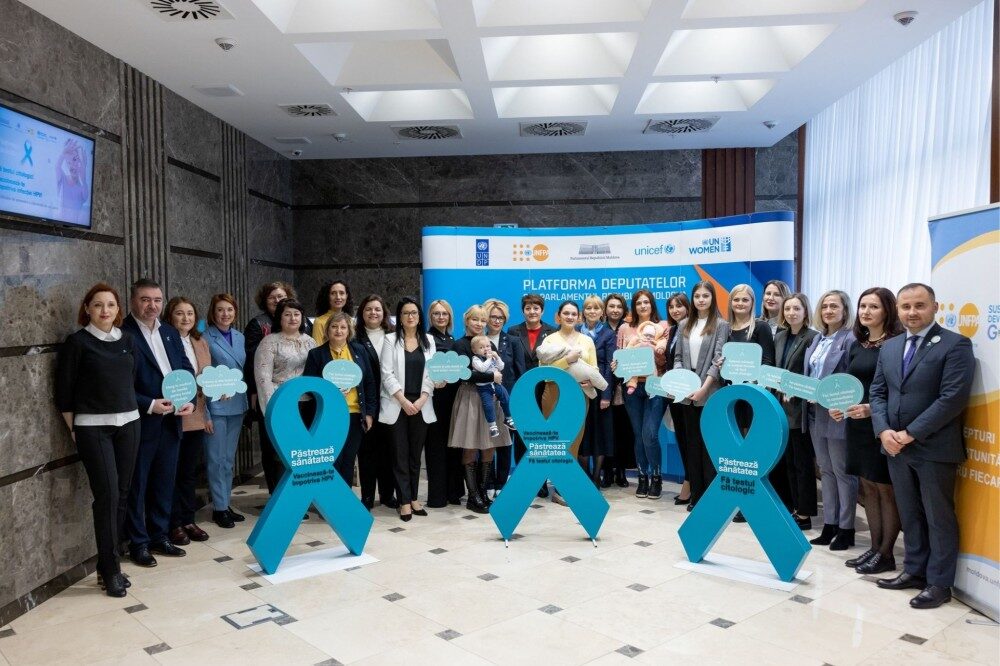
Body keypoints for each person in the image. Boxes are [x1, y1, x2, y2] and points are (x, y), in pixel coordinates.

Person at [870, 283, 975, 609]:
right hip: (895, 447)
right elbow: (878, 393)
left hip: (934, 448)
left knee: (937, 517)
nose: (912, 312)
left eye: (919, 305)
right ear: (898, 310)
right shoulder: (890, 347)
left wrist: (910, 433)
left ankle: (939, 584)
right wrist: (883, 430)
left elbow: (952, 398)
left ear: (935, 307)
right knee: (910, 513)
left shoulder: (955, 344)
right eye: (906, 307)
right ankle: (914, 571)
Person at [55, 283, 140, 597]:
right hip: (93, 429)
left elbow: (130, 381)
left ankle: (108, 565)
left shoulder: (127, 340)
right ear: (87, 309)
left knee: (123, 495)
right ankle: (112, 570)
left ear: (118, 310)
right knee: (107, 497)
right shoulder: (77, 342)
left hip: (129, 424)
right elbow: (64, 392)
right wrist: (74, 430)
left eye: (111, 305)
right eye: (98, 305)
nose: (105, 310)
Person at [121, 278, 195, 568]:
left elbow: (185, 369)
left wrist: (189, 399)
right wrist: (150, 404)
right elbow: (121, 384)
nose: (152, 306)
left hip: (172, 420)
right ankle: (138, 543)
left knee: (165, 481)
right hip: (142, 422)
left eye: (157, 300)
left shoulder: (169, 332)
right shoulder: (122, 333)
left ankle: (159, 536)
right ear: (132, 301)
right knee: (138, 485)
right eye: (145, 299)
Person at [833, 288, 904, 574]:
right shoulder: (858, 345)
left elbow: (899, 392)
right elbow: (853, 386)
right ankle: (874, 548)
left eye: (874, 306)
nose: (866, 311)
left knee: (886, 490)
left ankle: (887, 554)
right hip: (857, 426)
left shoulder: (897, 344)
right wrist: (839, 405)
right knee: (868, 488)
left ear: (887, 310)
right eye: (863, 306)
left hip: (882, 425)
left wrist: (871, 410)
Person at [803, 290, 858, 550]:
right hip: (814, 412)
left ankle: (846, 529)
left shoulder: (851, 339)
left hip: (837, 413)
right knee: (825, 470)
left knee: (842, 472)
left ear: (845, 310)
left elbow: (853, 381)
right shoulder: (818, 339)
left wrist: (843, 405)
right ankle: (830, 525)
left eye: (834, 306)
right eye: (824, 306)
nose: (828, 311)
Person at [725, 284, 784, 521]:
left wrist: (754, 385)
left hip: (752, 398)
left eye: (745, 300)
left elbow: (768, 361)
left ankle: (752, 504)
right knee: (734, 451)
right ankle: (738, 501)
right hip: (730, 398)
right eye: (736, 300)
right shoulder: (725, 328)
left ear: (752, 302)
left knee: (751, 452)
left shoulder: (760, 327)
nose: (740, 304)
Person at [254, 298, 317, 504]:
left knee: (302, 452)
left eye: (297, 314)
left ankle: (299, 499)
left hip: (306, 405)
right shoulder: (269, 342)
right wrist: (272, 411)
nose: (292, 318)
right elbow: (263, 379)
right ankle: (281, 500)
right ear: (279, 318)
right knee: (279, 454)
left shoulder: (310, 341)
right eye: (287, 314)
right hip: (279, 404)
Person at [449, 305, 511, 513]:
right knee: (470, 446)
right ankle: (473, 496)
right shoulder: (459, 345)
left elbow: (498, 367)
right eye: (475, 319)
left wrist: (494, 378)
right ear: (466, 320)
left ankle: (483, 492)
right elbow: (464, 373)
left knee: (489, 446)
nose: (479, 324)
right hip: (470, 397)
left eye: (483, 320)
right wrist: (491, 376)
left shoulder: (488, 343)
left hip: (490, 397)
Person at [303, 312, 378, 487]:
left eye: (343, 327)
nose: (339, 331)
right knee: (333, 459)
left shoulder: (359, 351)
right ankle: (331, 499)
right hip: (328, 416)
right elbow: (310, 386)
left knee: (349, 459)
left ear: (349, 331)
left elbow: (369, 383)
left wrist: (369, 413)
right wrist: (329, 392)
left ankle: (345, 499)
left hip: (355, 414)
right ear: (327, 330)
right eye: (334, 327)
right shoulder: (316, 354)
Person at [536, 300, 599, 504]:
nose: (570, 317)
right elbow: (544, 370)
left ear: (578, 317)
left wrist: (590, 379)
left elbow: (594, 369)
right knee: (555, 440)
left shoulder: (587, 341)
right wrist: (567, 360)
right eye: (566, 313)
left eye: (573, 314)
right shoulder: (549, 340)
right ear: (558, 316)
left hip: (579, 394)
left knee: (574, 439)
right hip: (553, 392)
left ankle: (564, 487)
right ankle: (560, 486)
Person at [379, 298, 436, 521]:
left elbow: (433, 373)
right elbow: (386, 374)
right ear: (399, 318)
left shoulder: (429, 340)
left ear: (419, 317)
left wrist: (422, 399)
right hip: (397, 403)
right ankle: (403, 501)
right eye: (405, 313)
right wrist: (403, 401)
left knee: (415, 456)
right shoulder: (389, 339)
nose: (410, 316)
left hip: (422, 404)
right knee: (399, 454)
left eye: (414, 313)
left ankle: (413, 497)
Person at [673, 281, 729, 508]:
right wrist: (681, 382)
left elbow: (718, 361)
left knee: (709, 447)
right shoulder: (684, 324)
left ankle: (710, 499)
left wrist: (703, 388)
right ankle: (696, 496)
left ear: (712, 298)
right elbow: (678, 358)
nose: (701, 300)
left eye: (706, 295)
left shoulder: (722, 325)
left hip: (710, 391)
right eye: (697, 296)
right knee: (692, 445)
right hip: (687, 393)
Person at [163, 297, 212, 546]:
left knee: (188, 472)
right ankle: (173, 524)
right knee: (171, 473)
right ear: (170, 316)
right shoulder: (164, 340)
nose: (185, 318)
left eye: (190, 313)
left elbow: (207, 377)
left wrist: (218, 391)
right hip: (172, 415)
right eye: (179, 313)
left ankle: (188, 519)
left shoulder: (200, 341)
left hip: (197, 414)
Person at [202, 293, 249, 529]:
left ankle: (225, 503)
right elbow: (200, 374)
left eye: (229, 310)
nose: (225, 314)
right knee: (216, 460)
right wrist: (205, 413)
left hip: (236, 405)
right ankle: (219, 509)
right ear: (213, 312)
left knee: (228, 460)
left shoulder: (240, 337)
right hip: (216, 407)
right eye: (220, 309)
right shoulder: (204, 337)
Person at [616, 290, 669, 499]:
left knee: (650, 434)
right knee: (638, 435)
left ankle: (656, 477)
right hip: (632, 387)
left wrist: (655, 351)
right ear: (634, 306)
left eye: (646, 302)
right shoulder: (625, 328)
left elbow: (665, 360)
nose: (643, 306)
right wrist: (617, 365)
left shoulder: (662, 327)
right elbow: (620, 357)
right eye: (638, 303)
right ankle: (642, 477)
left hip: (656, 385)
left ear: (652, 304)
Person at [774, 293, 819, 530]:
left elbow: (812, 373)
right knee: (788, 462)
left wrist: (795, 388)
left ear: (805, 311)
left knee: (802, 463)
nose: (791, 313)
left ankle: (805, 514)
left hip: (800, 409)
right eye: (788, 309)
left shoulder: (813, 337)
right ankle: (793, 507)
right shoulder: (780, 336)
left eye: (796, 309)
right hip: (779, 407)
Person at [245, 281, 295, 494]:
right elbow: (251, 361)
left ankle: (294, 492)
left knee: (293, 445)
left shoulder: (300, 322)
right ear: (265, 301)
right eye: (272, 297)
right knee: (272, 447)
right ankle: (276, 495)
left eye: (281, 296)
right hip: (268, 394)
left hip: (296, 396)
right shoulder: (257, 324)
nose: (277, 300)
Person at [506, 294, 555, 497]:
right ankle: (524, 480)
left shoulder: (552, 332)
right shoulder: (513, 331)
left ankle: (541, 481)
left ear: (542, 311)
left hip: (545, 391)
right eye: (528, 308)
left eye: (536, 308)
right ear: (523, 310)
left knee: (541, 437)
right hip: (522, 391)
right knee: (522, 437)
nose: (532, 312)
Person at [355, 294, 398, 509]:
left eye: (377, 309)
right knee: (367, 451)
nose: (373, 313)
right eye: (368, 309)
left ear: (384, 313)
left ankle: (388, 495)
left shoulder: (395, 335)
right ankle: (368, 496)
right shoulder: (354, 338)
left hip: (393, 399)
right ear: (361, 313)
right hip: (367, 402)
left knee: (389, 450)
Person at [482, 299, 526, 497]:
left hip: (508, 400)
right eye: (493, 317)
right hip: (485, 399)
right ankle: (488, 482)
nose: (497, 320)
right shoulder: (479, 340)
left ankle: (501, 483)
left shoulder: (514, 341)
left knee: (506, 443)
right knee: (487, 441)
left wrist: (516, 400)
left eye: (500, 317)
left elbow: (520, 372)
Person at [426, 299, 462, 507]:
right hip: (435, 399)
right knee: (436, 447)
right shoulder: (427, 339)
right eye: (436, 313)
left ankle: (454, 492)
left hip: (453, 397)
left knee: (453, 445)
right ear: (430, 316)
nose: (441, 317)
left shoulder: (451, 338)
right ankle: (437, 496)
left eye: (444, 313)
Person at [578, 295, 617, 488]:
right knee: (582, 434)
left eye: (596, 308)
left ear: (602, 312)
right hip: (579, 391)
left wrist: (606, 395)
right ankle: (584, 476)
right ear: (583, 311)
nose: (592, 311)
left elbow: (610, 366)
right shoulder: (576, 331)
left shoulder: (608, 334)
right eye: (588, 308)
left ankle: (596, 477)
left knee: (600, 435)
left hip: (600, 392)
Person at [601, 293, 634, 488]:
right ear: (605, 309)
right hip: (604, 388)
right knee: (606, 431)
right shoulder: (600, 329)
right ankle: (607, 471)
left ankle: (621, 471)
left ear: (624, 310)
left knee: (623, 430)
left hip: (625, 387)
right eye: (611, 306)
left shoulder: (629, 329)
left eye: (619, 307)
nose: (615, 310)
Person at [665, 292, 691, 504]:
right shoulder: (673, 329)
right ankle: (689, 481)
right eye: (672, 307)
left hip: (690, 393)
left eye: (679, 306)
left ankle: (691, 483)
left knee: (691, 441)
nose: (675, 310)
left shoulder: (692, 328)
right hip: (674, 394)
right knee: (682, 438)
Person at [470, 335, 516, 437]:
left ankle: (508, 418)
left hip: (496, 384)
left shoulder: (492, 357)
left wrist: (497, 357)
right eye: (481, 347)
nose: (486, 349)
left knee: (506, 398)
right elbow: (482, 369)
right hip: (484, 387)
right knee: (488, 405)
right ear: (474, 350)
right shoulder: (475, 359)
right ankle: (492, 426)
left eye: (488, 346)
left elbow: (501, 366)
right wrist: (489, 359)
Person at [56, 138, 90, 225]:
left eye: (75, 159)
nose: (72, 166)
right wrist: (63, 153)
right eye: (68, 162)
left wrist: (83, 169)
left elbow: (85, 195)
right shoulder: (62, 179)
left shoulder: (83, 187)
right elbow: (57, 167)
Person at [312, 280, 354, 345]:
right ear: (327, 296)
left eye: (341, 293)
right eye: (333, 293)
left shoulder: (350, 320)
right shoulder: (319, 322)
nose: (338, 297)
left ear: (346, 296)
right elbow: (317, 349)